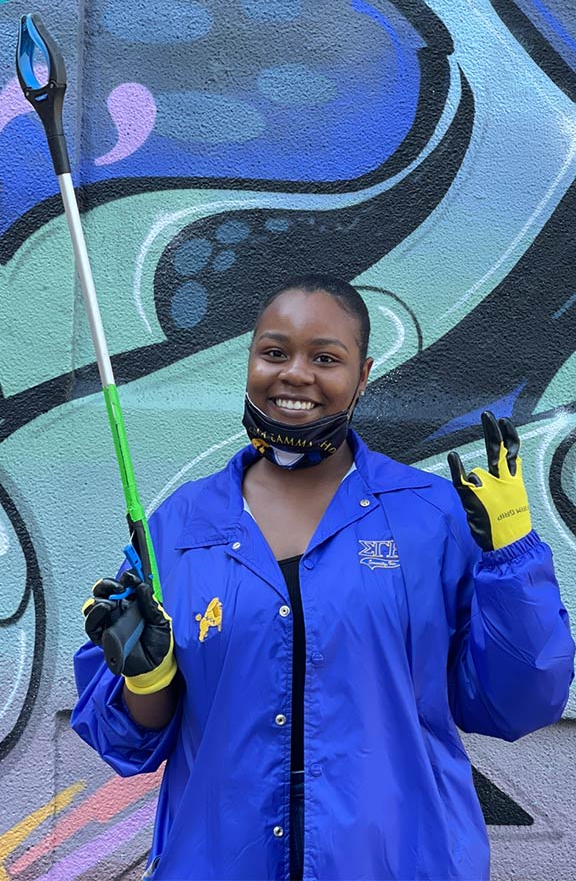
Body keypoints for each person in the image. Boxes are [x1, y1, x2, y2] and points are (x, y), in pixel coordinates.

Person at [72, 274, 575, 881]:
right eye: (274, 352)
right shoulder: (178, 529)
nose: (295, 374)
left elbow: (521, 703)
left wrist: (513, 558)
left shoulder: (432, 517)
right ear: (251, 361)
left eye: (325, 358)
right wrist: (145, 675)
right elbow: (126, 742)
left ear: (361, 377)